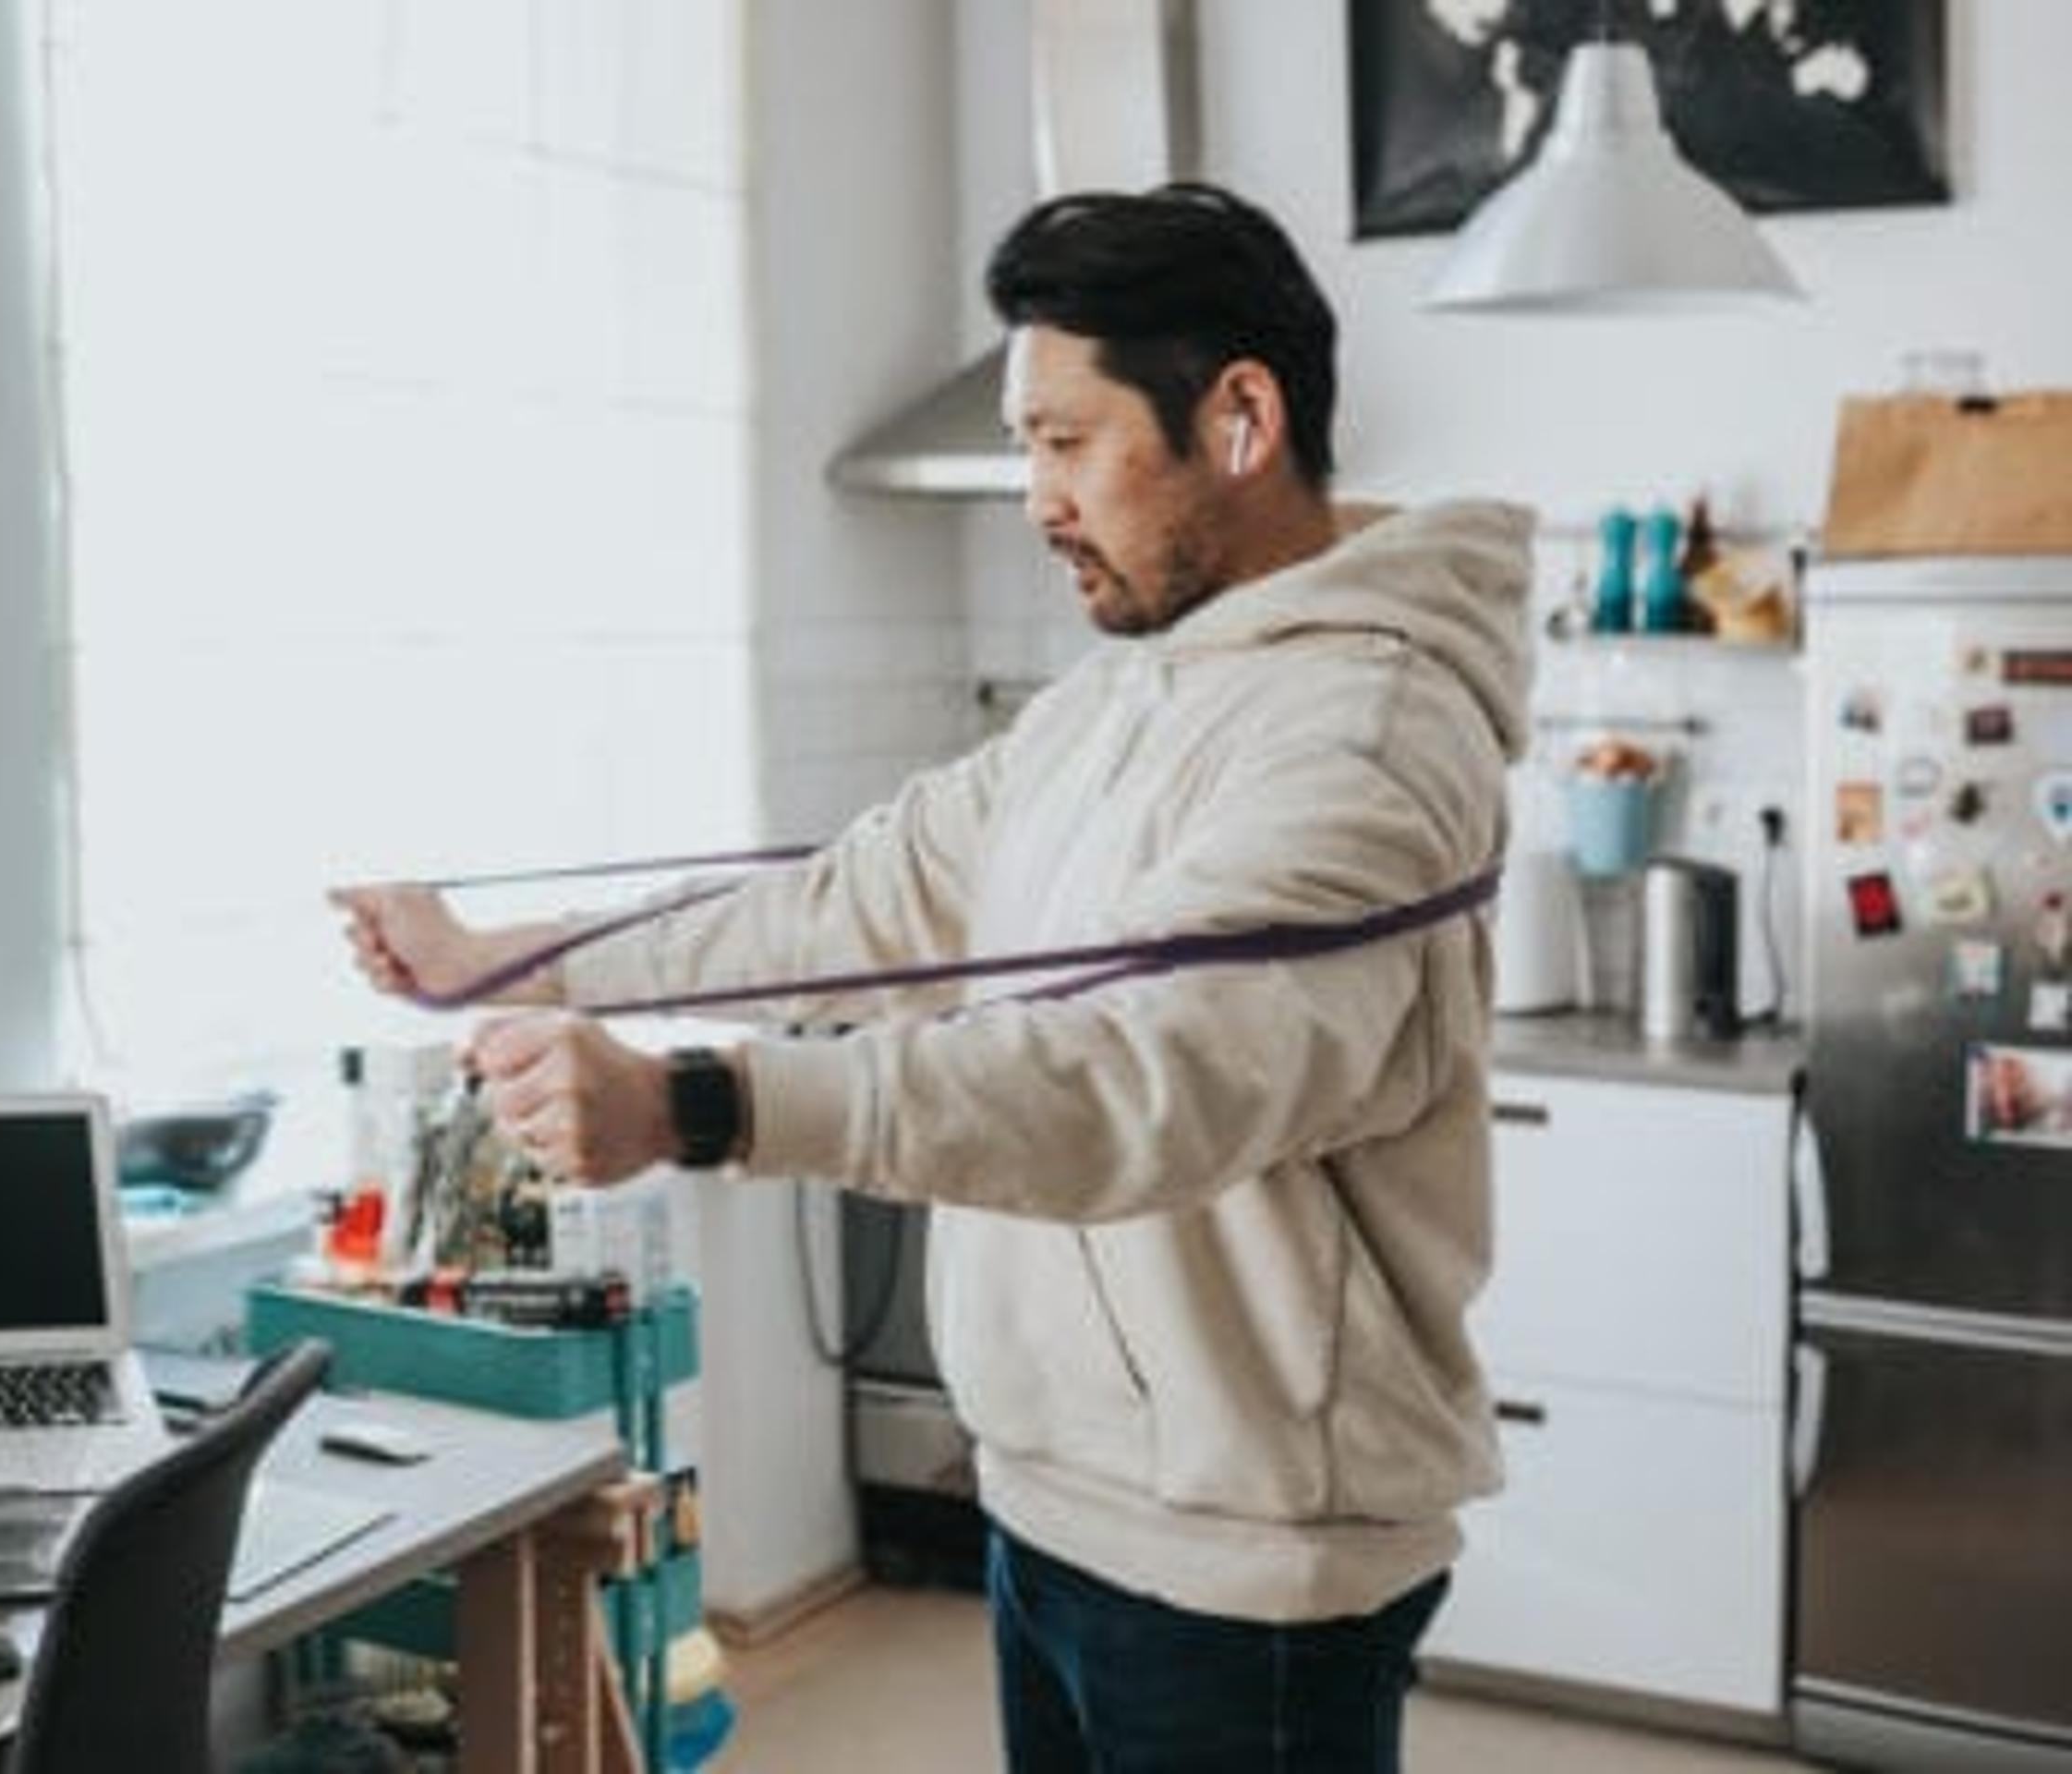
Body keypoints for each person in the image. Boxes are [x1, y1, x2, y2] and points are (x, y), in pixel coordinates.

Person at [333, 182, 1528, 1774]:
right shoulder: (1119, 705)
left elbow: (1133, 1081)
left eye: (1066, 441)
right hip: (1057, 1500)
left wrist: (700, 1104)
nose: (1034, 497)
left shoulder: (1364, 740)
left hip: (1249, 1560)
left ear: (1239, 418)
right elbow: (856, 901)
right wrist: (522, 961)